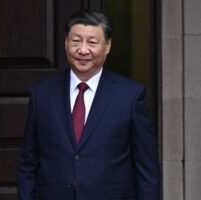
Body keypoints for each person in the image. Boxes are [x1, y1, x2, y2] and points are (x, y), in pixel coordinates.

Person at [17, 10, 160, 200]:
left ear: (107, 46)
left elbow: (146, 167)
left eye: (92, 42)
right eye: (76, 41)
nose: (83, 50)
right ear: (66, 42)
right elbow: (28, 161)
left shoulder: (130, 96)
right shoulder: (42, 94)